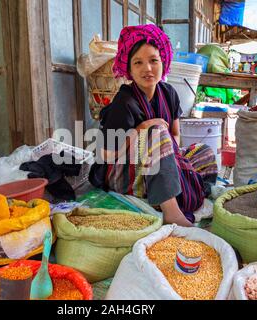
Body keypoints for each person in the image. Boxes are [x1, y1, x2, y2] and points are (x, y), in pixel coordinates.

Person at [89, 24, 217, 227]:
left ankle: (175, 189)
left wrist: (168, 157)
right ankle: (172, 212)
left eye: (153, 61)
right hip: (122, 171)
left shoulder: (169, 93)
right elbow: (106, 155)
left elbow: (174, 135)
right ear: (129, 69)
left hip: (158, 163)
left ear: (163, 62)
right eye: (138, 63)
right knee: (156, 131)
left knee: (205, 152)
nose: (147, 69)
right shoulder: (123, 102)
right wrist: (143, 128)